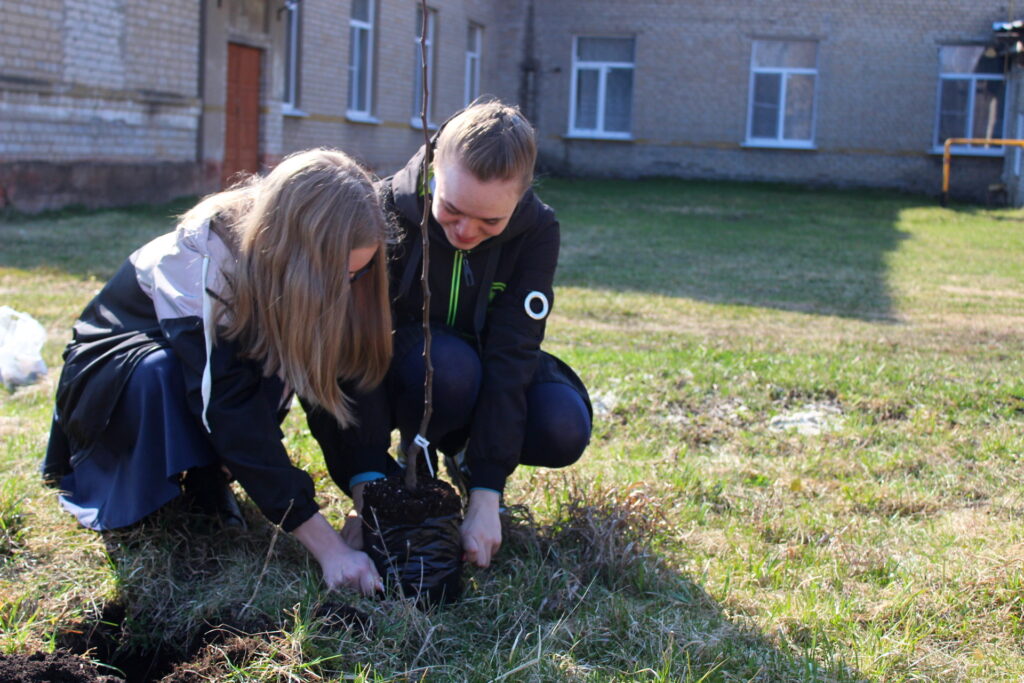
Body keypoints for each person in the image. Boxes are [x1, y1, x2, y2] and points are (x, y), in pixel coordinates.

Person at [41, 149, 392, 596]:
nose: (345, 287)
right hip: (115, 379)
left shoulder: (330, 272)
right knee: (163, 372)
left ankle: (208, 478)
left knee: (247, 364)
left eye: (354, 276)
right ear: (296, 253)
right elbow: (228, 408)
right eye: (337, 275)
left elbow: (339, 381)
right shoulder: (202, 256)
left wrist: (367, 495)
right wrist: (327, 548)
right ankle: (152, 495)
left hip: (212, 373)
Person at [306, 100, 593, 569]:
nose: (465, 231)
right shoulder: (380, 213)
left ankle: (463, 456)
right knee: (446, 365)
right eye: (452, 209)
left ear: (520, 198)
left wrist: (486, 492)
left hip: (482, 375)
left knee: (563, 426)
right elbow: (351, 358)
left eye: (490, 223)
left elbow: (513, 353)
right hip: (405, 373)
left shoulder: (539, 231)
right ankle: (406, 466)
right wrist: (366, 486)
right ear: (434, 170)